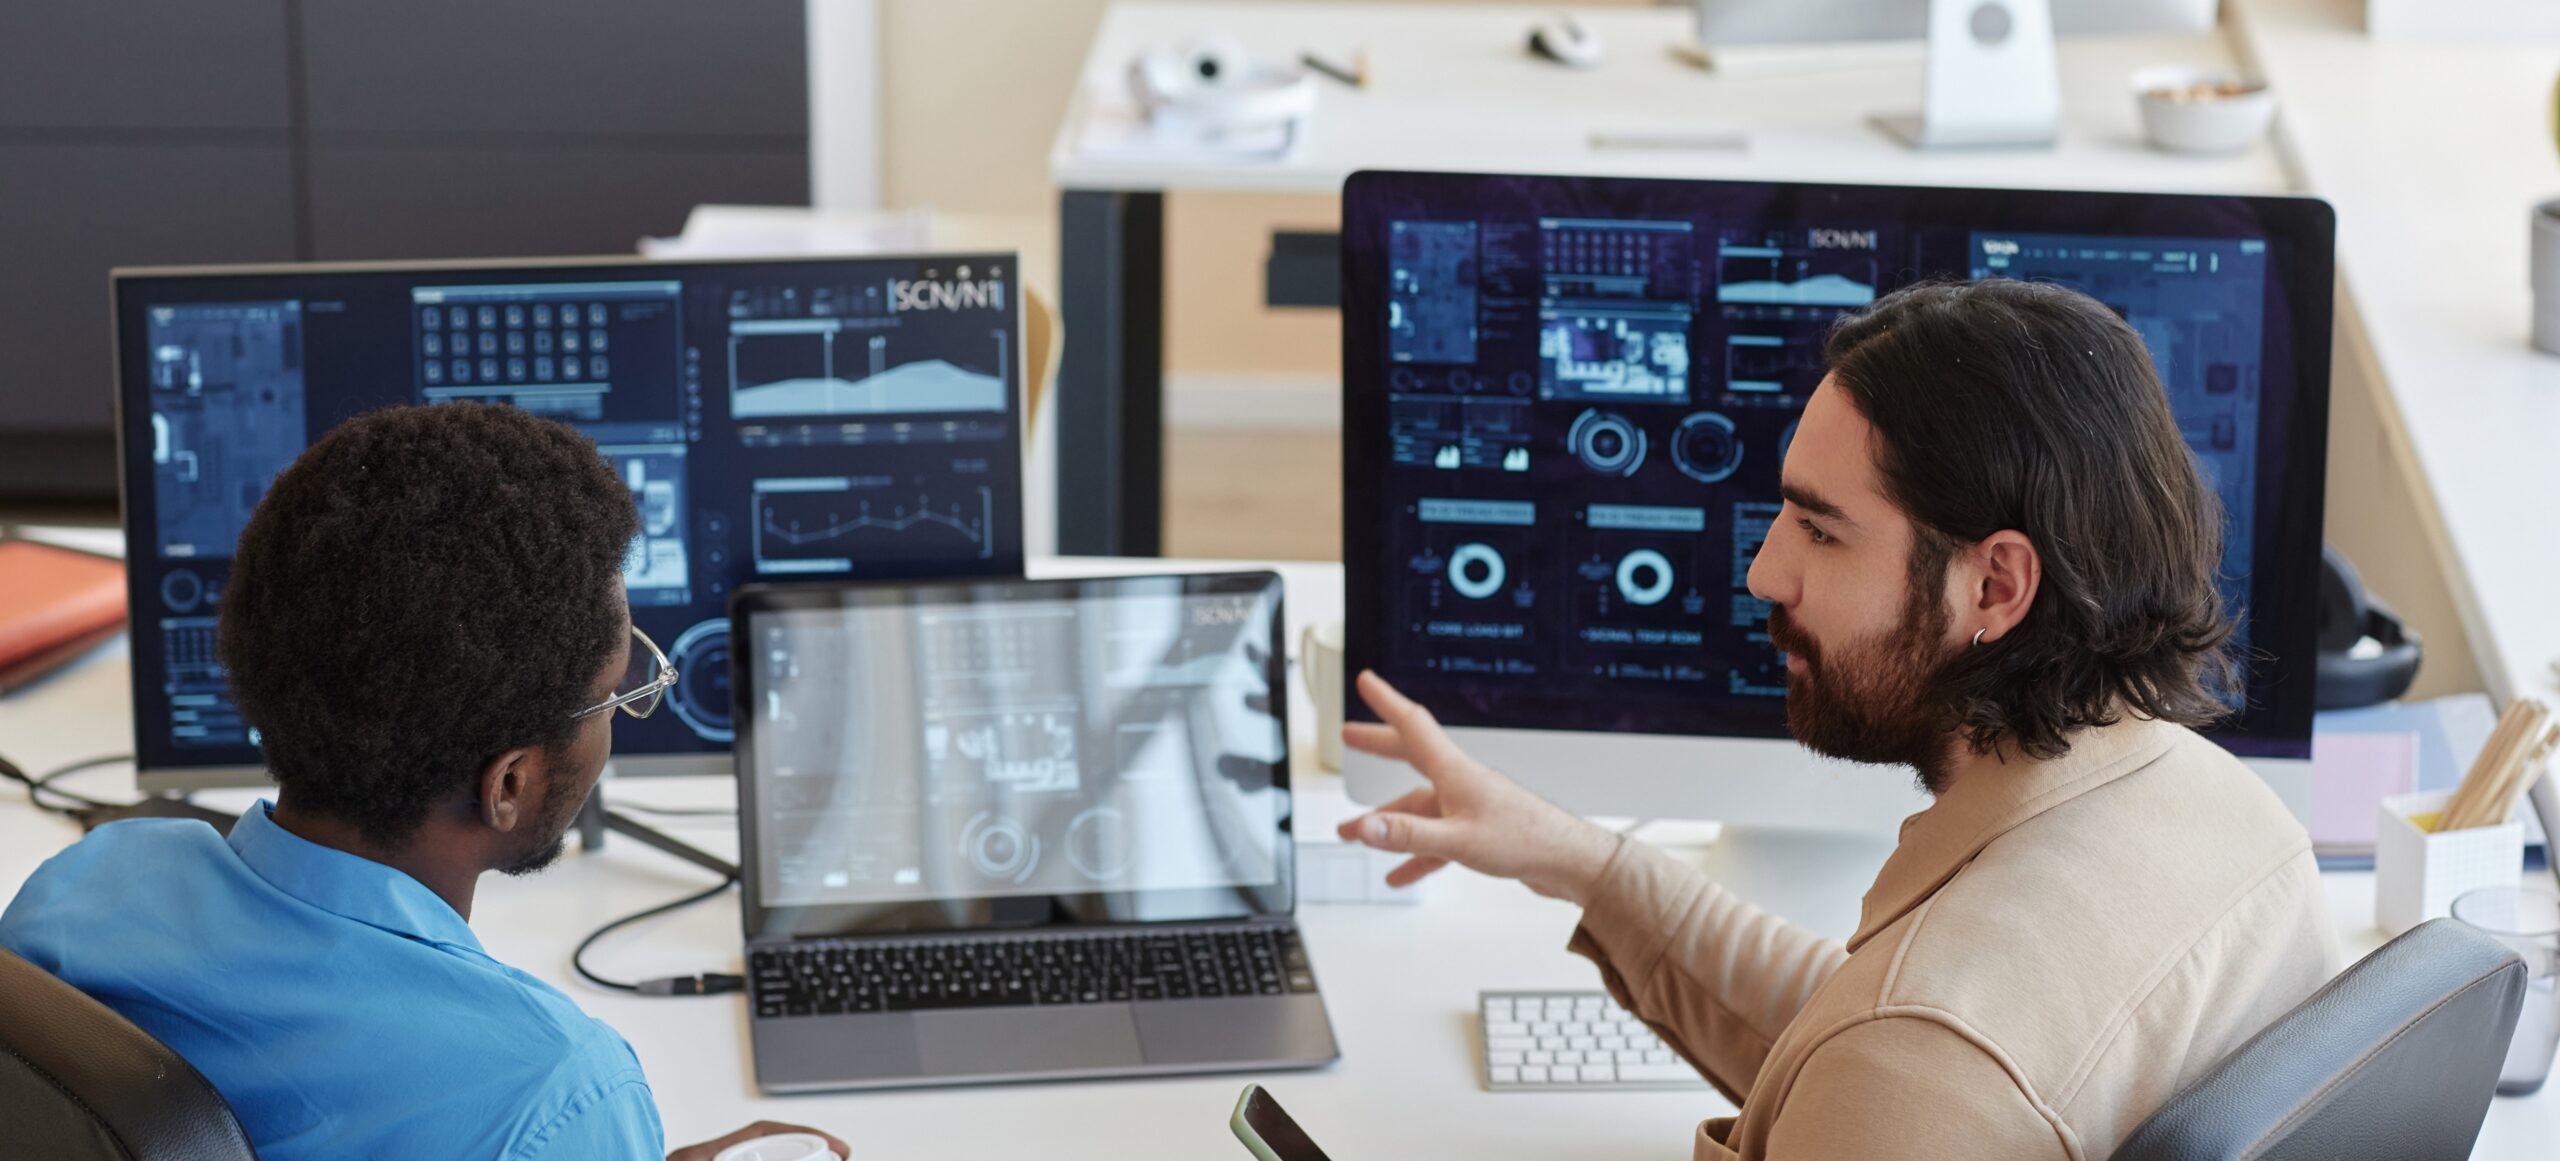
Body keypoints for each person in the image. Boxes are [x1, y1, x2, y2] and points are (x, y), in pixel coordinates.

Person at [1339, 279, 2339, 1160]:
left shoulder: (1919, 1063)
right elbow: (1860, 1039)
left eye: (1820, 530)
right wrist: (1569, 857)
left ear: (1993, 584)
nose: (1763, 571)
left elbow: (1898, 1061)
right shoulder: (2235, 821)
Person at [0, 403, 846, 1161]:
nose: (621, 714)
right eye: (617, 692)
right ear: (509, 782)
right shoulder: (552, 1094)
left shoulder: (87, 886)